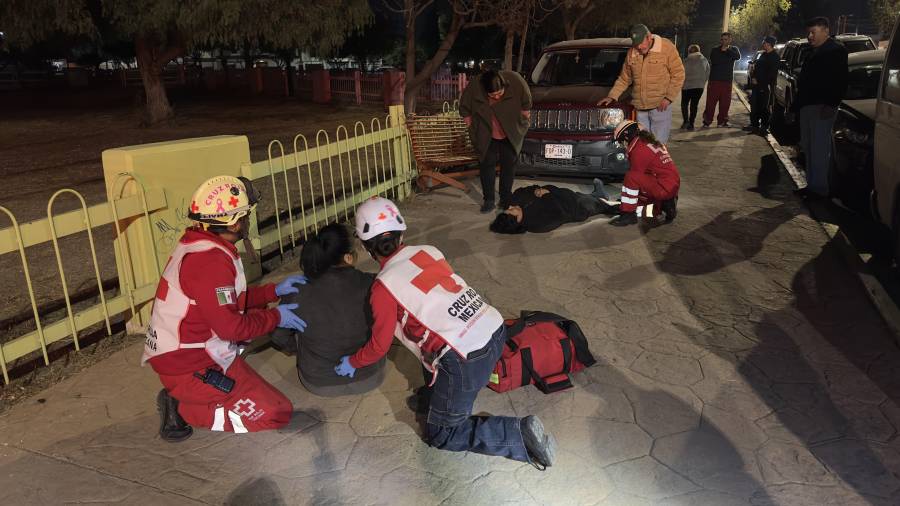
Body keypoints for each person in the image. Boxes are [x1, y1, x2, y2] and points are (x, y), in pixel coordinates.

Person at [334, 196, 557, 469]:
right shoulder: (429, 250)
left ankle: (517, 435)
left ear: (365, 245)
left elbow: (379, 347)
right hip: (495, 330)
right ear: (402, 231)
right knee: (431, 344)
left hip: (466, 359)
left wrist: (353, 361)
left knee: (442, 434)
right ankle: (434, 399)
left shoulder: (382, 289)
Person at [144, 175, 309, 441]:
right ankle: (182, 406)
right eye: (246, 215)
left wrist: (273, 291)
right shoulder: (211, 263)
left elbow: (227, 300)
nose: (248, 221)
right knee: (276, 414)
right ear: (233, 222)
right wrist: (277, 317)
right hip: (190, 366)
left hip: (189, 352)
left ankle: (194, 392)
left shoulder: (201, 245)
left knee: (258, 314)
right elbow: (230, 328)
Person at [270, 223, 386, 397]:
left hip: (319, 382)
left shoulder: (297, 290)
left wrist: (302, 349)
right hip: (370, 377)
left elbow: (278, 336)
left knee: (298, 324)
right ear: (348, 258)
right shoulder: (373, 284)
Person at [459, 69, 533, 213]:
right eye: (493, 95)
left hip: (510, 131)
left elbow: (526, 103)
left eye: (500, 93)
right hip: (486, 132)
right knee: (487, 164)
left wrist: (523, 121)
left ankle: (505, 198)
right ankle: (489, 200)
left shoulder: (515, 81)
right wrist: (471, 127)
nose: (497, 97)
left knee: (508, 165)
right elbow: (464, 108)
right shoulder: (475, 87)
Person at [598, 24, 685, 144]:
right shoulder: (632, 53)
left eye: (641, 43)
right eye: (636, 44)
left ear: (649, 37)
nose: (638, 47)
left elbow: (678, 74)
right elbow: (624, 78)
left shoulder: (666, 48)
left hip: (660, 107)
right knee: (643, 145)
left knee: (658, 145)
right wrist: (612, 96)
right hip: (640, 109)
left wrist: (668, 98)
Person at [793, 17, 848, 198]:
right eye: (808, 33)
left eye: (813, 32)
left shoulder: (835, 50)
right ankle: (812, 185)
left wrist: (831, 104)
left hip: (822, 106)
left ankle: (819, 188)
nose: (810, 36)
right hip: (808, 105)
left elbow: (840, 80)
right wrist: (795, 107)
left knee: (819, 149)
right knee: (809, 147)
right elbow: (805, 82)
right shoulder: (813, 51)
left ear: (825, 30)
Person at [609, 120, 681, 226]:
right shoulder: (648, 142)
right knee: (638, 200)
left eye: (621, 141)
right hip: (670, 185)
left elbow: (635, 181)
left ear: (627, 136)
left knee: (631, 177)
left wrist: (627, 204)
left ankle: (628, 215)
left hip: (663, 187)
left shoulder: (639, 149)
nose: (622, 145)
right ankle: (665, 205)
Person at [489, 180, 619, 234]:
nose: (511, 207)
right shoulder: (537, 224)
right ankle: (616, 206)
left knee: (588, 197)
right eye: (511, 210)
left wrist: (538, 190)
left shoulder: (522, 209)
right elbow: (559, 215)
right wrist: (547, 194)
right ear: (516, 219)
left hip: (571, 197)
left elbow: (523, 192)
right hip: (578, 207)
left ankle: (598, 194)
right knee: (603, 206)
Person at [702, 32, 741, 128]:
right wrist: (728, 58)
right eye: (722, 39)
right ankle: (707, 121)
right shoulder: (715, 50)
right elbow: (715, 61)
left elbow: (737, 57)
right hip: (714, 80)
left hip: (727, 81)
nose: (724, 41)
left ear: (730, 40)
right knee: (711, 103)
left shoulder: (734, 49)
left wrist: (727, 51)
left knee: (725, 103)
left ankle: (722, 122)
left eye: (726, 39)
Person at [745, 36, 780, 136]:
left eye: (764, 42)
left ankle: (764, 128)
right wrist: (753, 77)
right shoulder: (763, 54)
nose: (763, 44)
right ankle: (754, 126)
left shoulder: (775, 57)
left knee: (764, 107)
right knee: (754, 106)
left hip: (765, 86)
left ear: (769, 44)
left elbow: (772, 74)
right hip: (756, 86)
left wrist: (760, 81)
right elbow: (757, 67)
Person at [681, 44, 709, 130]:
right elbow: (707, 72)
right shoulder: (704, 60)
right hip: (699, 86)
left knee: (684, 104)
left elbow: (681, 73)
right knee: (694, 105)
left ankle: (685, 122)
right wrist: (702, 82)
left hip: (686, 86)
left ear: (689, 51)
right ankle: (691, 124)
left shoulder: (685, 61)